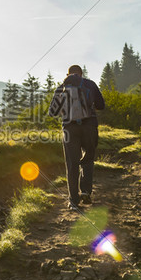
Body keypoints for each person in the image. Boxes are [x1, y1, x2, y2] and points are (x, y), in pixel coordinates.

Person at [48, 65, 105, 210]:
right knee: (87, 159)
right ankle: (85, 191)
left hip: (69, 128)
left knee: (72, 164)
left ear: (68, 74)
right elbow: (101, 105)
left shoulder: (62, 87)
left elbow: (52, 112)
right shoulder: (90, 84)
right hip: (89, 126)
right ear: (81, 74)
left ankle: (73, 201)